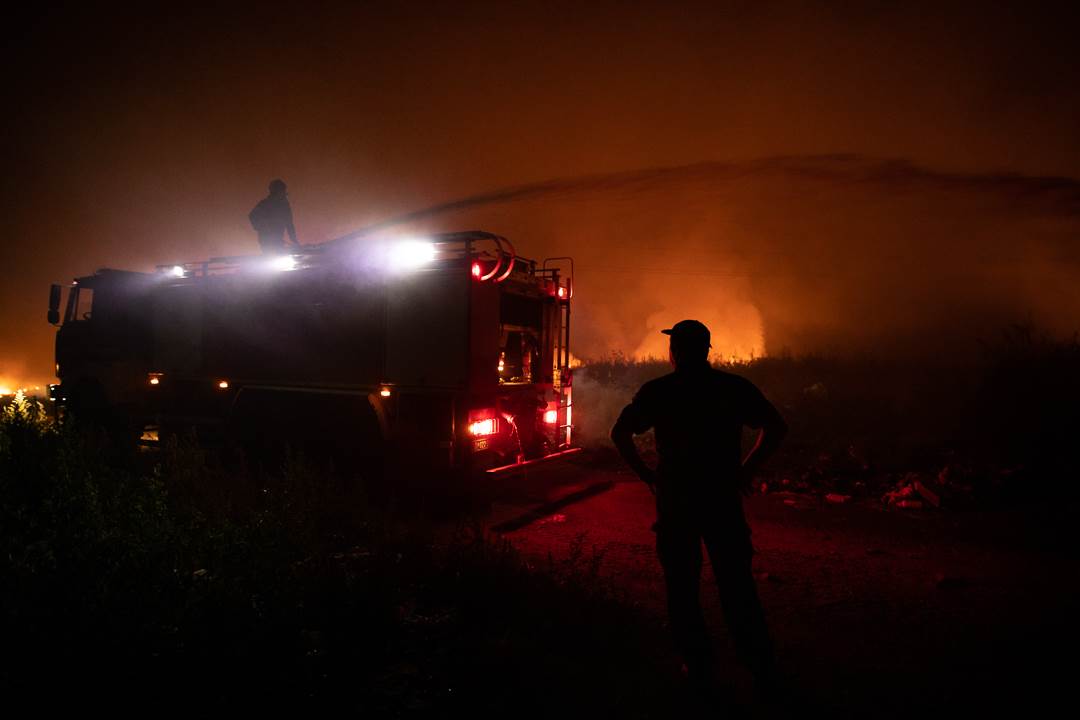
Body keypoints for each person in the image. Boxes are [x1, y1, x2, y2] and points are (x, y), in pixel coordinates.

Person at [611, 319, 787, 692]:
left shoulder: (660, 391)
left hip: (677, 501)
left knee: (682, 586)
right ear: (706, 350)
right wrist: (745, 470)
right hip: (722, 498)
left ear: (674, 351)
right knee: (736, 584)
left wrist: (647, 475)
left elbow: (620, 433)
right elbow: (776, 427)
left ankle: (697, 663)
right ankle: (759, 665)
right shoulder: (732, 389)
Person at [249, 179, 302, 254]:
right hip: (266, 239)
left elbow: (289, 223)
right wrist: (261, 227)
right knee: (271, 258)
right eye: (281, 191)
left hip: (277, 238)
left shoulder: (284, 205)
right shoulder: (265, 204)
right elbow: (252, 216)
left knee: (278, 257)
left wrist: (294, 239)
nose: (283, 193)